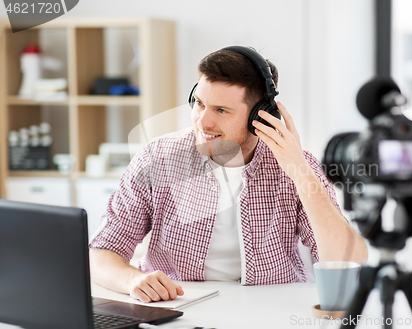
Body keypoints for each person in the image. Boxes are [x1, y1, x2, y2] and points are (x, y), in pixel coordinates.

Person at [89, 46, 368, 303]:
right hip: (178, 307)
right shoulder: (157, 158)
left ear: (258, 117)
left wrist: (301, 174)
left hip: (271, 305)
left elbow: (349, 262)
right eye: (199, 103)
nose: (203, 122)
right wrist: (133, 279)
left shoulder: (296, 166)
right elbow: (102, 251)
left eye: (221, 110)